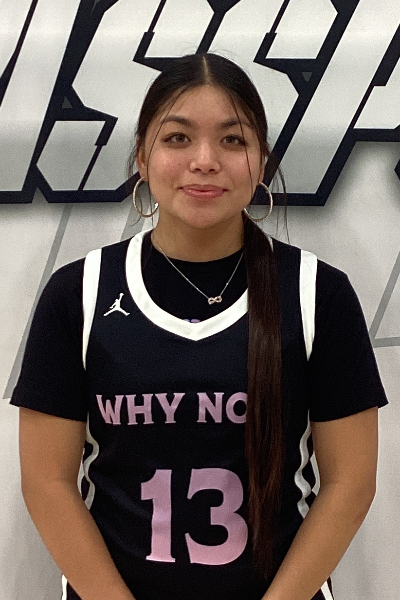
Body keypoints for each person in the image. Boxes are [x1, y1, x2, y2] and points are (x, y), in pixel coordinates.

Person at [11, 53, 388, 600]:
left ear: (262, 160)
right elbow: (47, 484)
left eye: (233, 140)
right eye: (178, 138)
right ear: (142, 157)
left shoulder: (317, 294)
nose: (205, 160)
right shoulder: (79, 293)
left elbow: (349, 485)